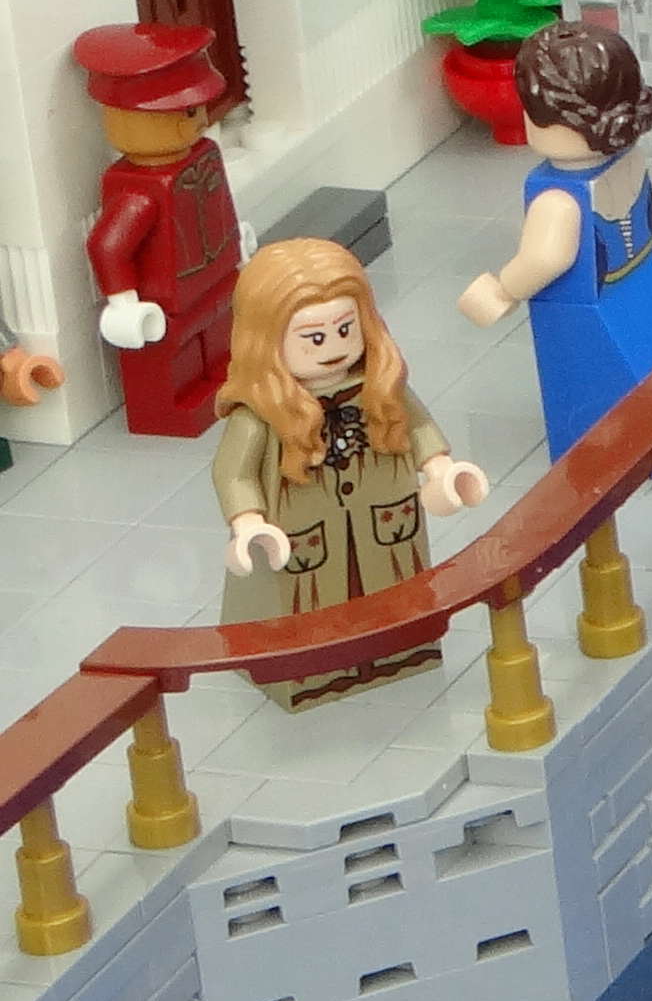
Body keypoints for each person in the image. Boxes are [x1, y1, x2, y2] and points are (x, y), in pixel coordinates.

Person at [460, 20, 652, 472]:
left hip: (586, 316)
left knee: (600, 400)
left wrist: (501, 291)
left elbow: (546, 257)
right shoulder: (630, 162)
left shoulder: (558, 199)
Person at [209, 241, 488, 707]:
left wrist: (441, 470)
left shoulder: (380, 389)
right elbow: (233, 473)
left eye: (345, 329)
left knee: (392, 585)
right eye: (314, 338)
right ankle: (316, 673)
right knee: (308, 601)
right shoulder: (259, 416)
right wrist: (248, 523)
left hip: (384, 520)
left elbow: (419, 427)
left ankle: (401, 653)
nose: (335, 349)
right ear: (266, 339)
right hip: (302, 534)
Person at [74, 21, 239, 439]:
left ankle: (223, 377)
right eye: (186, 111)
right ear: (126, 119)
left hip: (214, 278)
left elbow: (216, 204)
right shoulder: (138, 187)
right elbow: (108, 245)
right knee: (174, 357)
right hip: (167, 303)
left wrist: (239, 238)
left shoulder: (203, 155)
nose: (200, 120)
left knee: (219, 336)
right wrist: (123, 303)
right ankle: (174, 404)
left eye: (198, 107)